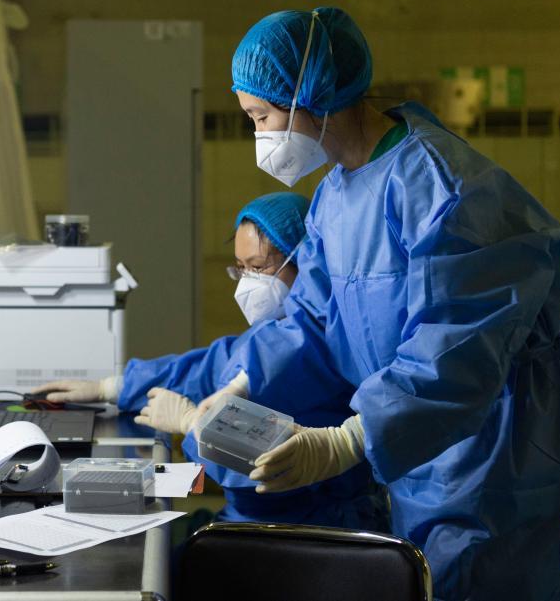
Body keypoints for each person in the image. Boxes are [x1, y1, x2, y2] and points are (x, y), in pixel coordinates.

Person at [204, 6, 560, 601]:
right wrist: (243, 381)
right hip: (429, 442)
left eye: (261, 117)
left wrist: (348, 440)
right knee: (437, 578)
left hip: (516, 439)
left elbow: (455, 349)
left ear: (310, 96)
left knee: (556, 568)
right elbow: (312, 319)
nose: (260, 138)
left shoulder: (443, 185)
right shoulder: (335, 196)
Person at [33, 192, 389, 530]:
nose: (246, 282)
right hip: (253, 524)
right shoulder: (270, 334)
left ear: (306, 266)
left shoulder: (324, 347)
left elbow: (264, 467)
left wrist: (191, 422)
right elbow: (205, 368)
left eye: (258, 267)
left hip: (298, 532)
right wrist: (113, 387)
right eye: (240, 269)